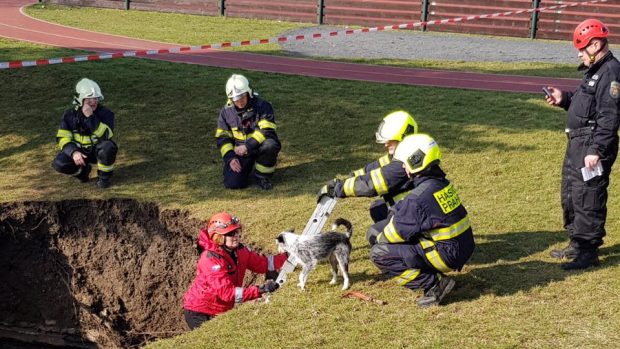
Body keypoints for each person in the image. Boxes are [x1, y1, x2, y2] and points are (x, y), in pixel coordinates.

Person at [544, 19, 620, 270]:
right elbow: (585, 102)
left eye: (581, 48)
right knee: (572, 192)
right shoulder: (595, 70)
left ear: (596, 44)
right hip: (579, 142)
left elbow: (609, 116)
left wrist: (596, 150)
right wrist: (564, 98)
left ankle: (588, 251)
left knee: (589, 195)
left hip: (592, 145)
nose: (579, 54)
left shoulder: (610, 73)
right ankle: (577, 241)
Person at [367, 134, 474, 308]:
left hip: (447, 254)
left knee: (379, 252)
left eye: (404, 162)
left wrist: (378, 243)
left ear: (415, 160)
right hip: (460, 246)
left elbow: (394, 233)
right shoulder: (439, 183)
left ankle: (435, 284)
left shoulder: (418, 198)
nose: (402, 166)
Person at [182, 212, 287, 329]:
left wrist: (287, 257)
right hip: (198, 312)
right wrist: (260, 290)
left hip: (220, 310)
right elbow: (228, 294)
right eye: (231, 233)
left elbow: (263, 264)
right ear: (219, 237)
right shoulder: (210, 259)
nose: (236, 236)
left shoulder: (240, 251)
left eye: (236, 232)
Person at [317, 111, 418, 224]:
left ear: (403, 138)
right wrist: (344, 181)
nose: (385, 144)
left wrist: (337, 189)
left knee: (374, 233)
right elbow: (371, 170)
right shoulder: (401, 154)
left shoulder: (405, 163)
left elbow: (371, 184)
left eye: (390, 140)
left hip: (416, 214)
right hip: (411, 207)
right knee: (378, 208)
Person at [215, 74, 281, 190]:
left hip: (260, 146)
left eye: (242, 97)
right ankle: (246, 170)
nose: (239, 102)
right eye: (236, 99)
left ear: (249, 93)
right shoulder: (226, 112)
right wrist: (230, 158)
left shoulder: (263, 106)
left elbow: (266, 130)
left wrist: (248, 146)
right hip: (241, 152)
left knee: (270, 145)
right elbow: (223, 138)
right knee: (233, 183)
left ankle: (262, 176)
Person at [52, 78, 117, 188]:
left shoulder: (106, 113)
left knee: (108, 146)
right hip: (79, 153)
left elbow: (106, 136)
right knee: (59, 164)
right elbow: (62, 138)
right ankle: (83, 173)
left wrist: (90, 118)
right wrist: (73, 152)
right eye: (90, 98)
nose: (94, 101)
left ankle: (104, 177)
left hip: (97, 152)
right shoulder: (69, 115)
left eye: (96, 98)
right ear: (80, 99)